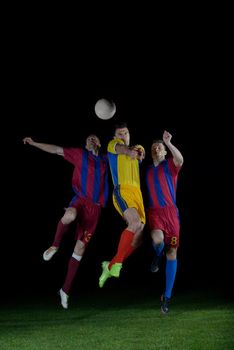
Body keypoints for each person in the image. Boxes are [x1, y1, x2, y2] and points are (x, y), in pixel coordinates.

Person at [23, 135, 109, 309]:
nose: (91, 140)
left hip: (95, 209)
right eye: (88, 139)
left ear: (99, 144)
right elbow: (56, 149)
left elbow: (122, 157)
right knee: (69, 215)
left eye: (95, 138)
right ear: (85, 144)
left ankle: (65, 290)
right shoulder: (79, 154)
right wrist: (34, 143)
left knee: (80, 248)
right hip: (80, 200)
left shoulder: (106, 160)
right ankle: (54, 245)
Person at [98, 122, 146, 288]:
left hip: (137, 195)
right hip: (122, 190)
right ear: (115, 137)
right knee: (134, 223)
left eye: (126, 133)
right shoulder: (112, 145)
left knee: (138, 238)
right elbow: (121, 149)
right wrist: (128, 151)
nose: (123, 136)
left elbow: (140, 153)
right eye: (120, 134)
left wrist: (137, 153)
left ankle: (109, 265)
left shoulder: (137, 146)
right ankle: (117, 264)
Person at [145, 130, 183, 314]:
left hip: (171, 214)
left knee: (172, 252)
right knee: (159, 240)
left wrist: (168, 142)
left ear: (164, 151)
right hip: (155, 213)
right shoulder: (147, 172)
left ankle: (166, 297)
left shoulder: (169, 166)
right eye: (154, 147)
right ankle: (157, 254)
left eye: (159, 146)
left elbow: (180, 160)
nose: (157, 148)